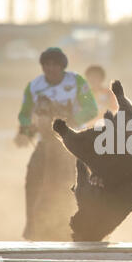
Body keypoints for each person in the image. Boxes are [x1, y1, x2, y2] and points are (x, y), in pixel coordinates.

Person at [14, 47, 98, 240]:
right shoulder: (34, 86)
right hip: (45, 143)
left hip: (73, 142)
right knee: (32, 180)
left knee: (80, 182)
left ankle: (84, 226)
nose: (50, 68)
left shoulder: (76, 82)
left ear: (62, 67)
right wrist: (25, 130)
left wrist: (70, 120)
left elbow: (91, 108)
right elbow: (25, 115)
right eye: (46, 64)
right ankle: (32, 229)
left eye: (55, 64)